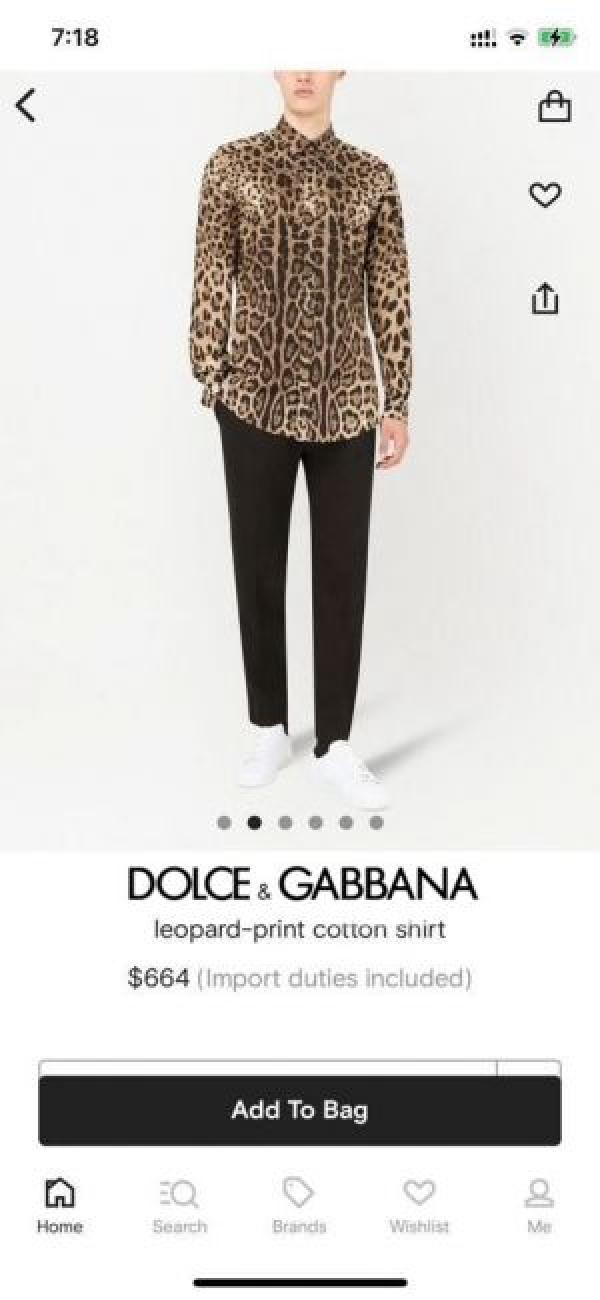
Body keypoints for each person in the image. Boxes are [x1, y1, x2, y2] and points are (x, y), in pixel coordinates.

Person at [190, 71, 412, 809]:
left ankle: (336, 745)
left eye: (320, 55)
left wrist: (397, 399)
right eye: (292, 55)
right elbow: (211, 273)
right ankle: (268, 727)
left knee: (342, 572)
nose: (305, 72)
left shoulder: (372, 177)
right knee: (258, 567)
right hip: (253, 400)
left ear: (342, 68)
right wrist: (212, 376)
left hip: (347, 404)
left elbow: (390, 291)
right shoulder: (233, 166)